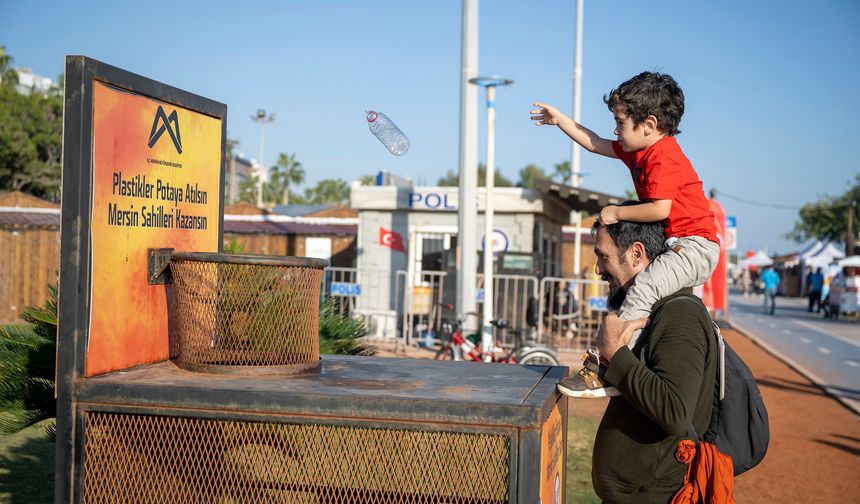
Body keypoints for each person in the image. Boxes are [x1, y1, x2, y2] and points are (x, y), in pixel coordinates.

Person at [532, 72, 720, 398]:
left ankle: (607, 367)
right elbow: (594, 143)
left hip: (694, 247)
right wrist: (561, 120)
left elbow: (660, 209)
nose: (615, 130)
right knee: (645, 296)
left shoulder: (663, 157)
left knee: (642, 290)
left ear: (648, 124)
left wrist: (617, 212)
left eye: (620, 122)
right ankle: (637, 360)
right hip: (679, 244)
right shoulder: (640, 150)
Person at [581, 215, 719, 503]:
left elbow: (675, 411)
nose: (598, 269)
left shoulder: (679, 315)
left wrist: (615, 354)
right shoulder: (655, 311)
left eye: (603, 257)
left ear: (637, 254)